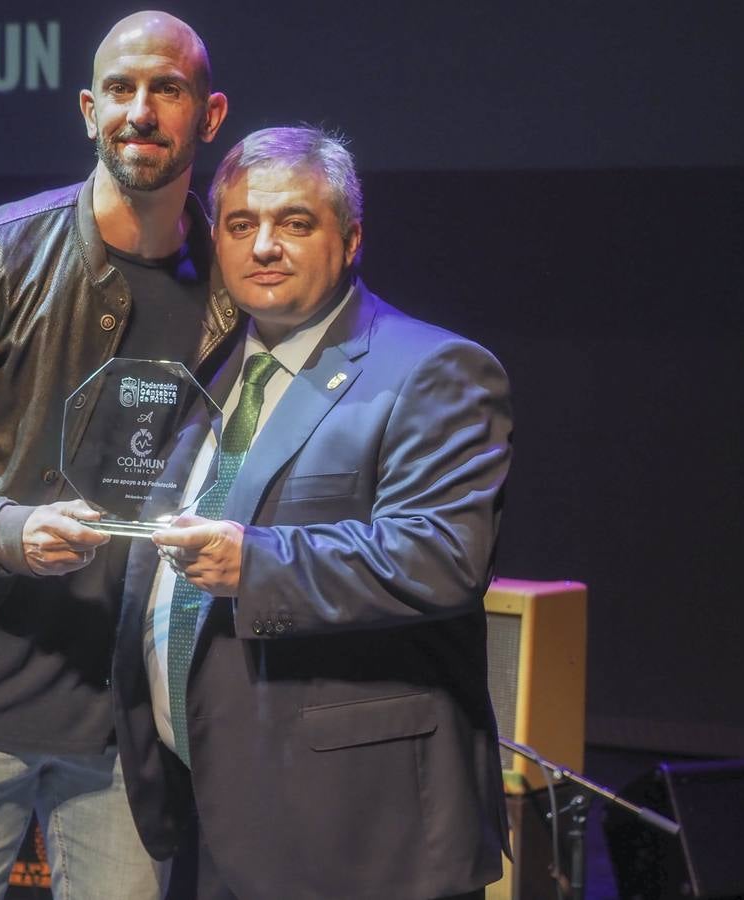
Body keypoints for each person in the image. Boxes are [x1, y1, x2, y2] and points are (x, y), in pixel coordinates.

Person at [0, 11, 234, 899]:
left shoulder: (233, 282)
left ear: (208, 116)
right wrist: (5, 529)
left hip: (126, 725)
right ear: (88, 111)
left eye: (166, 90)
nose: (142, 110)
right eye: (123, 90)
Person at [110, 126, 514, 899]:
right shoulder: (212, 373)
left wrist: (253, 563)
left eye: (295, 223)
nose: (264, 246)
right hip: (211, 817)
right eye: (240, 225)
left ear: (351, 238)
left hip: (360, 838)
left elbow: (443, 556)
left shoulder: (433, 371)